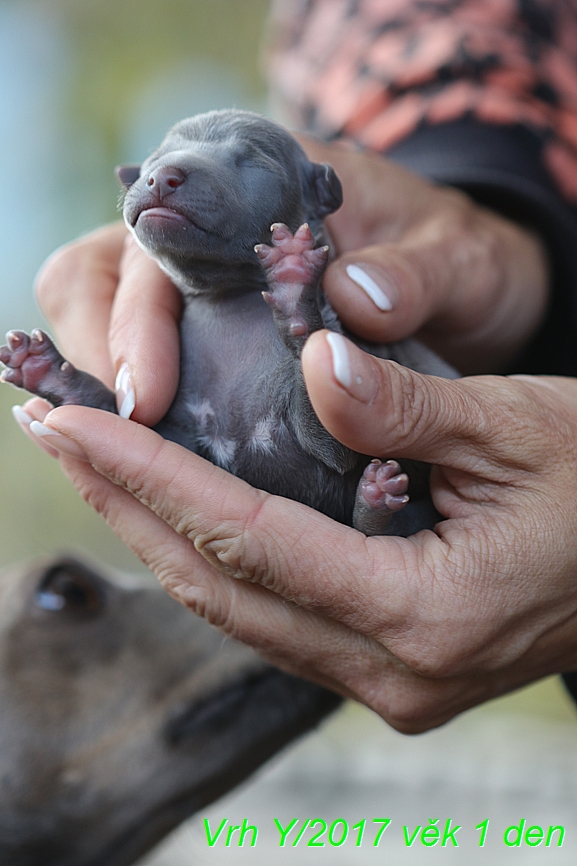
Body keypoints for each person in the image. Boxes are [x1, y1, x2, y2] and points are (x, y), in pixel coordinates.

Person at [13, 0, 577, 731]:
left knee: (337, 405)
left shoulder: (321, 299)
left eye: (247, 164)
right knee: (145, 430)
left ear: (319, 198)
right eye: (155, 168)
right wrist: (492, 220)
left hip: (353, 453)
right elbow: (427, 41)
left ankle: (355, 473)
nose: (170, 175)